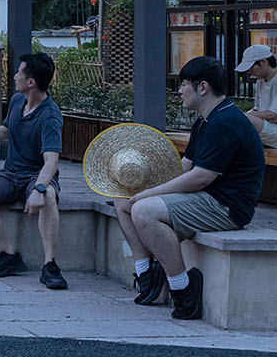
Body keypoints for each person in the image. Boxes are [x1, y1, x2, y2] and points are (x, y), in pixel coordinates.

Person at [112, 55, 266, 320]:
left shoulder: (226, 121)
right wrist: (142, 188)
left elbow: (202, 177)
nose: (180, 90)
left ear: (203, 87)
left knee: (144, 210)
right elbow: (186, 166)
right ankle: (146, 274)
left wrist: (149, 194)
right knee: (123, 201)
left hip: (226, 206)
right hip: (205, 197)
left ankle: (182, 290)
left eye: (184, 84)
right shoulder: (206, 120)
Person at [0, 52, 67, 289]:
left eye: (18, 73)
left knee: (48, 195)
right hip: (11, 174)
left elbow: (51, 160)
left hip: (36, 175)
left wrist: (39, 189)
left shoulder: (50, 116)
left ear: (31, 82)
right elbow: (5, 130)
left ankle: (50, 265)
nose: (14, 76)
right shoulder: (16, 101)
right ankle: (9, 254)